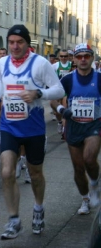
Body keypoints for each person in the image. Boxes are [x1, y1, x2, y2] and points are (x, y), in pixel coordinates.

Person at [0, 24, 64, 239]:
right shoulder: (2, 63)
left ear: (27, 43)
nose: (14, 46)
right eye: (11, 42)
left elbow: (59, 89)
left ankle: (38, 208)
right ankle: (14, 220)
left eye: (19, 42)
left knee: (35, 173)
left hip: (33, 128)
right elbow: (1, 83)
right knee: (6, 172)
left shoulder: (40, 64)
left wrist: (38, 93)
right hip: (9, 126)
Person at [51, 43, 101, 215]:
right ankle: (85, 199)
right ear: (74, 60)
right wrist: (62, 111)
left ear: (92, 58)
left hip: (94, 125)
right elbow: (53, 100)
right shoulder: (68, 80)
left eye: (86, 56)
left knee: (89, 159)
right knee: (78, 168)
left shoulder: (99, 78)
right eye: (79, 57)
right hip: (74, 126)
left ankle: (94, 183)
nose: (83, 59)